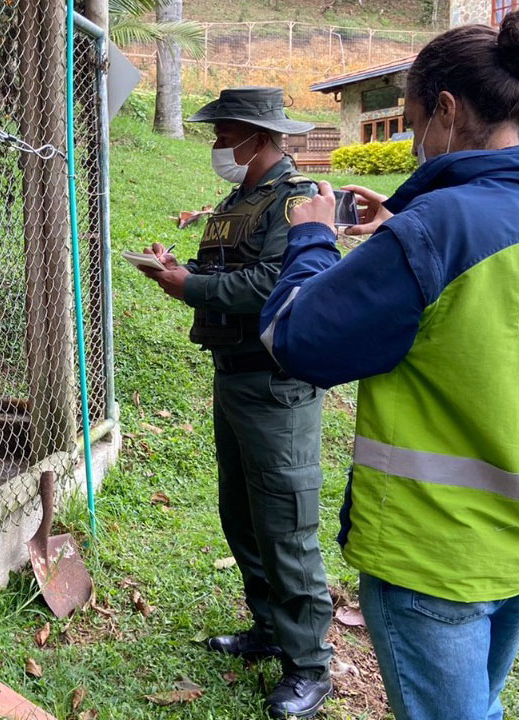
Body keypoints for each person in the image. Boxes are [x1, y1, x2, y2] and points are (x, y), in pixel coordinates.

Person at [258, 3, 519, 719]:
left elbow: (295, 338)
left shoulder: (435, 231)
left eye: (411, 122)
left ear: (444, 109)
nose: (413, 140)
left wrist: (315, 239)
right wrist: (401, 237)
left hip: (435, 556)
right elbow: (478, 327)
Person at [141, 86, 333, 719]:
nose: (218, 145)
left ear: (255, 134)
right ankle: (271, 630)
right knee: (243, 515)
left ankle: (310, 667)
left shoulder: (295, 200)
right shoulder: (238, 200)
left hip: (277, 384)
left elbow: (275, 282)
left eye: (223, 133)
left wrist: (189, 284)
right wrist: (180, 267)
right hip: (234, 377)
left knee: (287, 525)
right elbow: (226, 264)